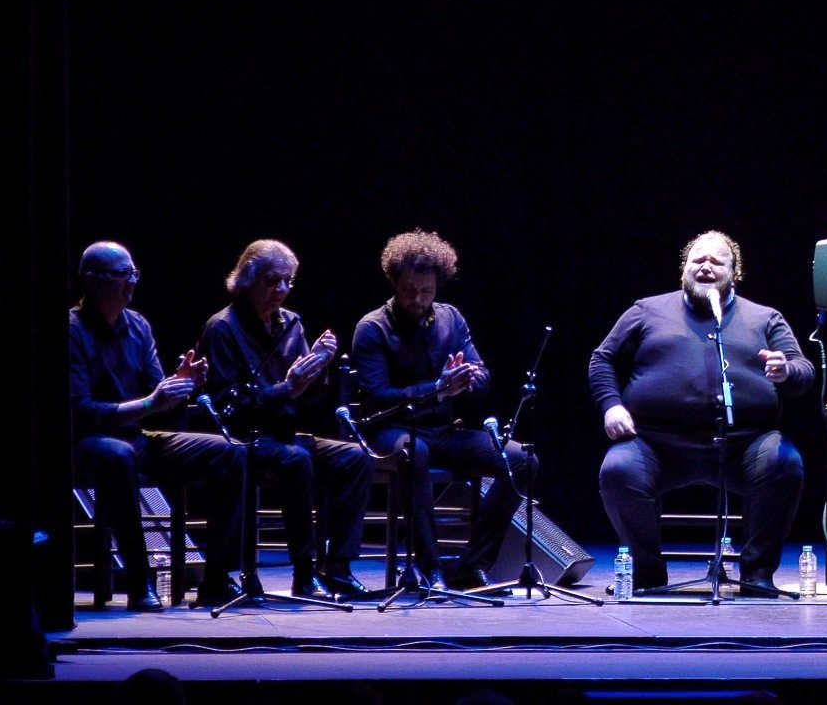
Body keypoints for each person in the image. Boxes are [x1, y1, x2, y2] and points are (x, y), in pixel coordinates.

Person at [588, 229, 815, 595]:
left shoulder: (765, 318)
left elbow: (803, 369)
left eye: (716, 261)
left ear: (733, 273)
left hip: (744, 446)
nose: (705, 266)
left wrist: (786, 371)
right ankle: (647, 572)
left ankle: (756, 573)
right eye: (698, 260)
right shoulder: (646, 310)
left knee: (785, 463)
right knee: (618, 470)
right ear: (684, 270)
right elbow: (603, 359)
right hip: (657, 446)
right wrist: (610, 405)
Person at [351, 228, 535, 593]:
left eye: (426, 292)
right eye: (409, 291)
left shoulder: (452, 318)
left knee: (523, 460)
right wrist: (436, 388)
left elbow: (483, 375)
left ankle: (474, 563)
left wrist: (466, 379)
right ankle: (429, 566)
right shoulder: (372, 328)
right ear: (394, 282)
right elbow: (376, 397)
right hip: (392, 428)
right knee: (414, 452)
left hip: (443, 429)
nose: (418, 299)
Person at [68, 241, 246, 611]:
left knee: (230, 452)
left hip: (138, 436)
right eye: (121, 275)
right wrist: (151, 402)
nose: (131, 282)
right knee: (118, 455)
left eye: (134, 273)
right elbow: (80, 410)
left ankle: (217, 579)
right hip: (86, 440)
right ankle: (139, 579)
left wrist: (182, 385)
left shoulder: (138, 326)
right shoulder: (71, 330)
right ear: (91, 280)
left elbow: (157, 397)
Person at [198, 239, 374, 601]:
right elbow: (227, 404)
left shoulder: (292, 323)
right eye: (271, 281)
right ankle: (304, 572)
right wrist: (287, 388)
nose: (280, 290)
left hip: (285, 433)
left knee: (356, 457)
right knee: (297, 459)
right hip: (242, 438)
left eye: (287, 282)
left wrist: (317, 370)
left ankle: (337, 567)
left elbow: (309, 397)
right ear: (247, 280)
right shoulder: (223, 329)